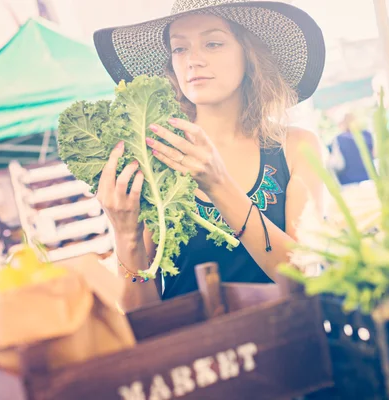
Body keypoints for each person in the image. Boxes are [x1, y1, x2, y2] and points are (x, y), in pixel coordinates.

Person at [92, 0, 326, 309]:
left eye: (213, 43)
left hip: (287, 346)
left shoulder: (297, 148)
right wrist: (126, 235)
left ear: (250, 53)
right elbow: (142, 314)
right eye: (179, 49)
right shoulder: (155, 159)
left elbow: (305, 274)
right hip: (193, 352)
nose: (193, 60)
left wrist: (219, 186)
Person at [327, 113, 374, 185]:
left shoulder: (339, 139)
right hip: (369, 178)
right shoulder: (367, 135)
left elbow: (338, 164)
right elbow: (374, 154)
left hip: (349, 183)